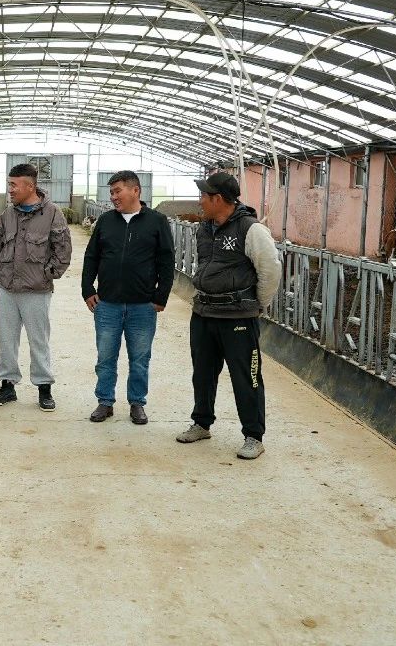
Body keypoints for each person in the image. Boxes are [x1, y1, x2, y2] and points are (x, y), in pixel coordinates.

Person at [176, 171, 281, 459]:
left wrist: (257, 305)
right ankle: (201, 423)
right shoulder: (205, 228)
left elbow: (270, 269)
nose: (200, 201)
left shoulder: (251, 229)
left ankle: (253, 436)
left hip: (237, 316)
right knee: (203, 373)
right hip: (204, 312)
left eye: (203, 196)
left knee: (246, 377)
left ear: (218, 199)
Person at [81, 170, 176, 425]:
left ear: (135, 190)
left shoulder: (156, 221)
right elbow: (91, 256)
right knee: (105, 357)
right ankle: (105, 401)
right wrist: (87, 289)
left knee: (140, 358)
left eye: (117, 191)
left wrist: (161, 296)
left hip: (142, 305)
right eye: (111, 192)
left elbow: (167, 261)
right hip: (107, 304)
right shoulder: (106, 221)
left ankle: (137, 403)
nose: (113, 197)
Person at [0, 163, 73, 411]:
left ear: (30, 186)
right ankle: (7, 385)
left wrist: (46, 275)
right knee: (6, 339)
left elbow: (63, 251)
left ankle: (44, 387)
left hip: (36, 290)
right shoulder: (8, 214)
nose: (10, 189)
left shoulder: (52, 213)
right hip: (7, 287)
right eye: (9, 184)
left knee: (39, 340)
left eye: (14, 185)